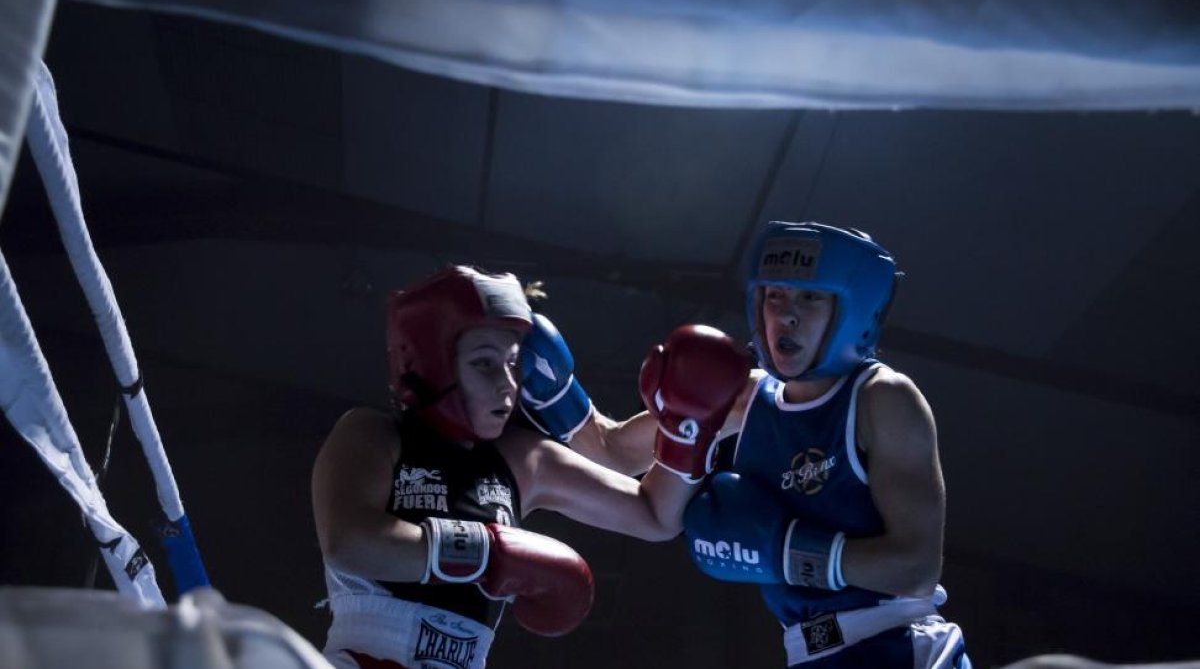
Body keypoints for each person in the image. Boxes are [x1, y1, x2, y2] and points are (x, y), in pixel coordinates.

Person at [310, 265, 748, 669]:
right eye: (484, 363)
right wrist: (491, 554)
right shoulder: (373, 434)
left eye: (514, 363)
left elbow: (655, 515)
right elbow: (349, 543)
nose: (507, 382)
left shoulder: (524, 459)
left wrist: (689, 428)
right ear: (430, 360)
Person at [671, 221, 972, 667]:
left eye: (810, 296)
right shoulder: (740, 399)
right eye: (775, 295)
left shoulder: (881, 398)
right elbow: (612, 449)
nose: (786, 315)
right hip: (809, 651)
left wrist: (787, 552)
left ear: (851, 310)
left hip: (898, 644)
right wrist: (556, 394)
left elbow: (917, 569)